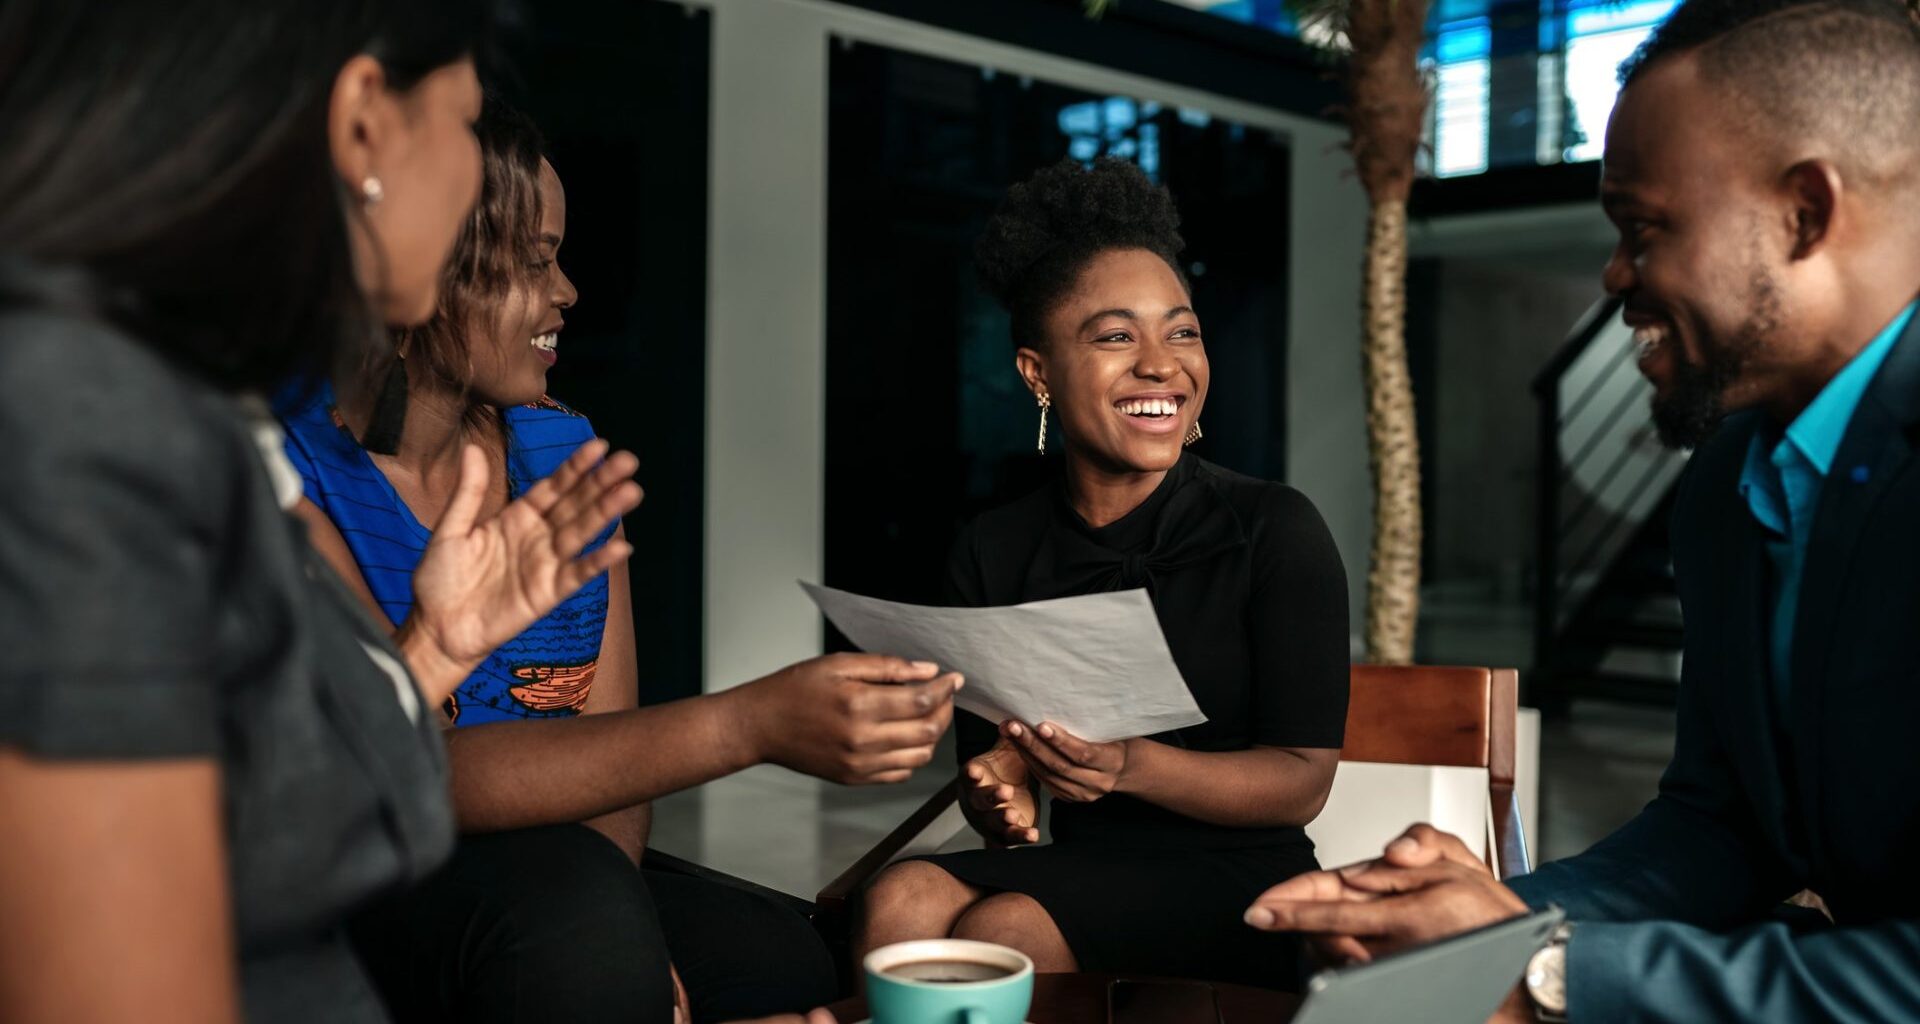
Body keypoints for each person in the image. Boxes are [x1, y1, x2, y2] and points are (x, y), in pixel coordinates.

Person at [1243, 1, 1920, 1020]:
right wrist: (1472, 925)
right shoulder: (1725, 488)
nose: (1614, 278)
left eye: (1643, 231)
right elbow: (1719, 827)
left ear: (1805, 214)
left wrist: (1550, 974)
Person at [0, 2, 651, 1023]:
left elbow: (251, 837)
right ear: (363, 129)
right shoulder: (84, 433)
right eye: (459, 125)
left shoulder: (183, 410)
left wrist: (431, 650)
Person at [284, 100, 961, 1023]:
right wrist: (746, 724)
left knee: (781, 960)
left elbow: (612, 761)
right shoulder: (288, 473)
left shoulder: (564, 456)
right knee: (575, 918)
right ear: (421, 266)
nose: (567, 291)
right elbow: (409, 769)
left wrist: (634, 942)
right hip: (367, 867)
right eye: (533, 262)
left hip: (562, 872)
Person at [855, 158, 1350, 988]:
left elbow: (1303, 782)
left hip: (1242, 883)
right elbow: (1000, 783)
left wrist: (1132, 765)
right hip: (1087, 869)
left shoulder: (1273, 527)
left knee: (1004, 926)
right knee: (901, 895)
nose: (1162, 365)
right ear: (1037, 372)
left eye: (1182, 331)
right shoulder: (992, 550)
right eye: (1117, 336)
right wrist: (998, 798)